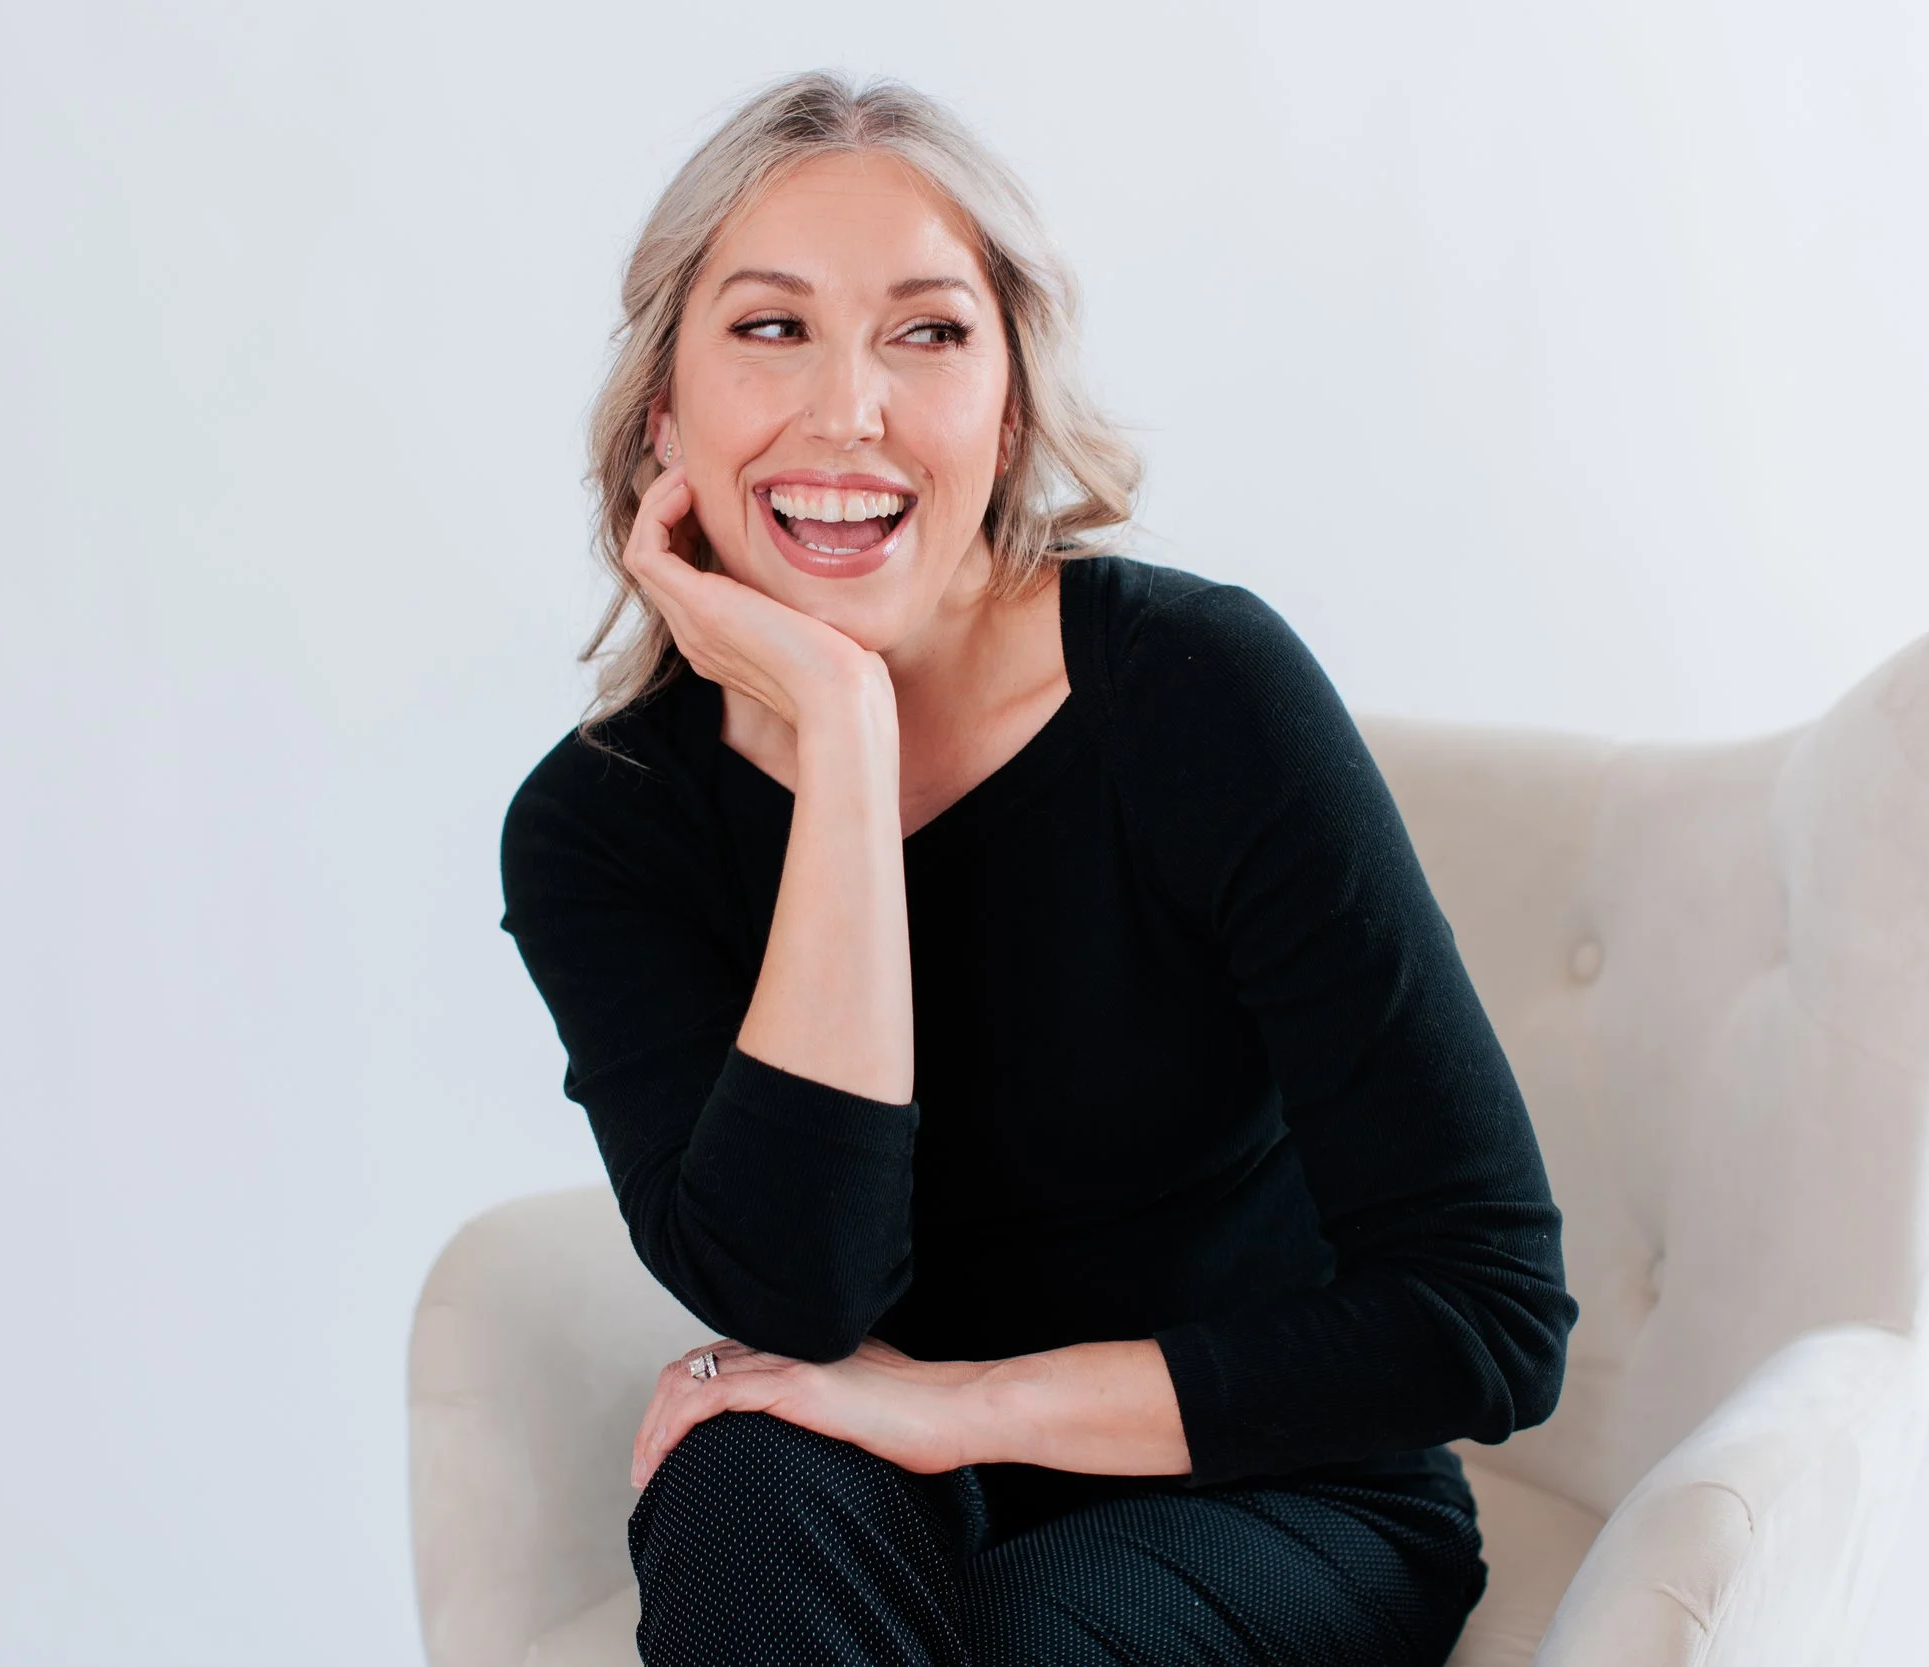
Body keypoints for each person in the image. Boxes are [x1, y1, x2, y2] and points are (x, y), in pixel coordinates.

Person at [498, 70, 1577, 1667]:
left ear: (1007, 407)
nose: (847, 408)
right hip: (880, 1474)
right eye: (770, 328)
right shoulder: (604, 827)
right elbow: (799, 1294)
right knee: (737, 1484)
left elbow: (1486, 1314)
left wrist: (963, 1405)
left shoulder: (1194, 689)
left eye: (927, 332)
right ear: (666, 409)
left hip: (1271, 1490)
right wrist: (849, 737)